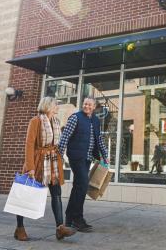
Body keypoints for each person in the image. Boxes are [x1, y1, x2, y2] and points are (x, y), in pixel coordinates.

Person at [14, 97, 76, 241]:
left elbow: (58, 143)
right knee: (26, 194)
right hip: (37, 162)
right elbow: (29, 144)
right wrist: (30, 167)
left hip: (52, 162)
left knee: (57, 194)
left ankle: (60, 228)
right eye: (55, 105)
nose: (57, 108)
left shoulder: (56, 122)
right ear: (47, 106)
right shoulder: (35, 121)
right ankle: (20, 228)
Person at [58, 97, 108, 232]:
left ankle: (69, 219)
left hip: (87, 158)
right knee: (83, 184)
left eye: (89, 104)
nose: (86, 106)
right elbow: (65, 137)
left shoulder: (96, 121)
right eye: (85, 103)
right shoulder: (75, 118)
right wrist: (59, 157)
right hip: (76, 156)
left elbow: (99, 139)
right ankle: (77, 219)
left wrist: (105, 155)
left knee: (78, 186)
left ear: (94, 106)